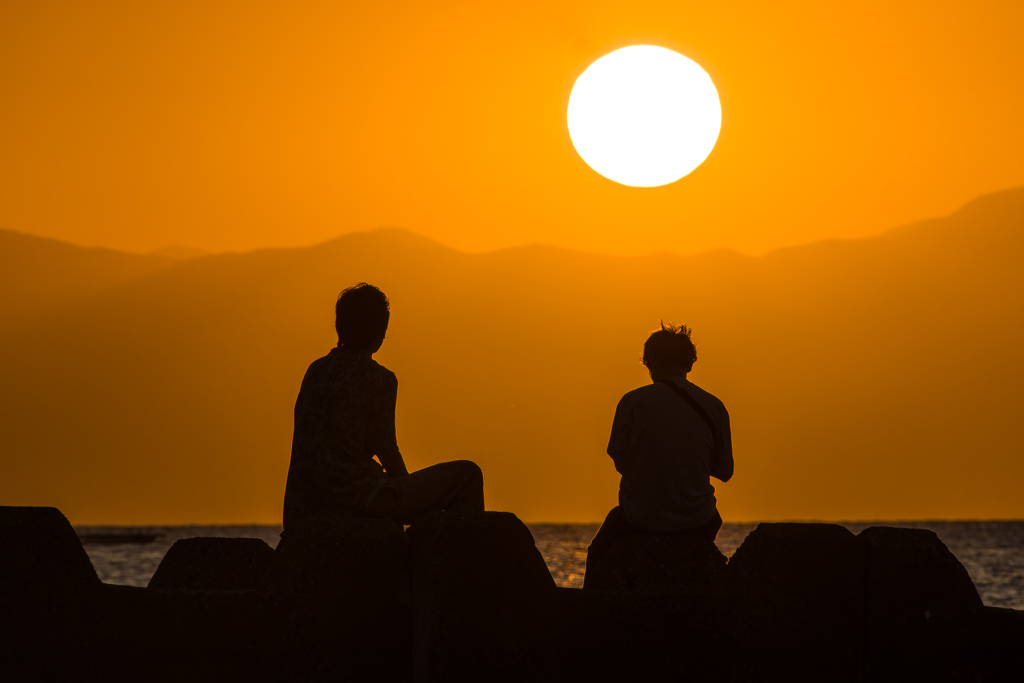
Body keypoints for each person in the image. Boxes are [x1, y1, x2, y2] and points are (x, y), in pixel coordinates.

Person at [282, 283, 483, 532]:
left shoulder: (315, 371)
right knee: (469, 475)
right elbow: (386, 448)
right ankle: (448, 552)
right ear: (380, 332)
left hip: (303, 508)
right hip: (358, 498)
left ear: (339, 326)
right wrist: (412, 498)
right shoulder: (379, 379)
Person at [586, 323, 734, 570]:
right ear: (690, 364)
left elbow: (620, 460)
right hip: (698, 520)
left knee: (597, 553)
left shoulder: (632, 402)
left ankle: (590, 595)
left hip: (640, 517)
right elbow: (725, 471)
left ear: (649, 363)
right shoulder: (714, 406)